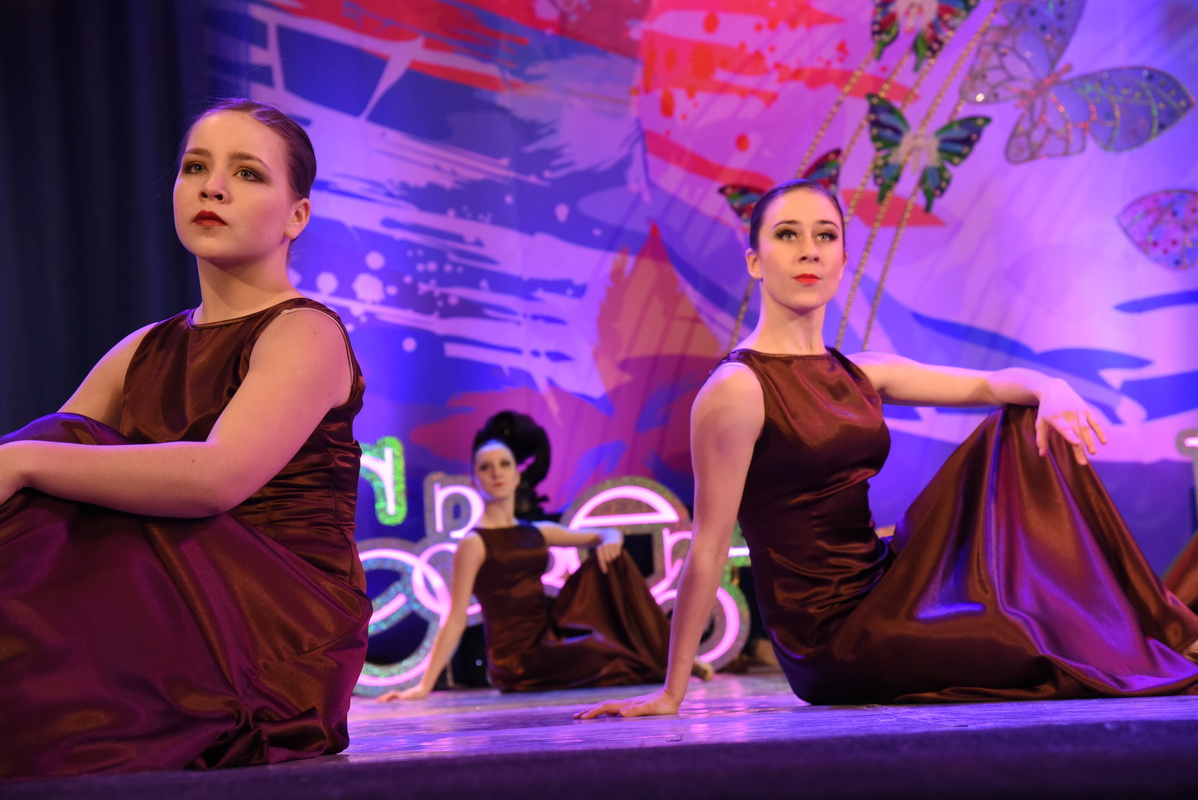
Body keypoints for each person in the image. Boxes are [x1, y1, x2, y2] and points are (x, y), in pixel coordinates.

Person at [579, 179, 1198, 719]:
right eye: (788, 235)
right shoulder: (736, 389)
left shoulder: (863, 371)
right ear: (755, 261)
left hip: (888, 584)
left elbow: (990, 386)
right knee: (1024, 636)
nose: (808, 250)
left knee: (1023, 425)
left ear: (842, 258)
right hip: (831, 638)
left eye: (825, 236)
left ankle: (1152, 626)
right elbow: (709, 545)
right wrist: (672, 692)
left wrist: (1051, 388)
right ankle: (1149, 639)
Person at [0, 99, 371, 777]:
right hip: (170, 590)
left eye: (247, 173)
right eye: (195, 167)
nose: (213, 187)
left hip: (279, 623)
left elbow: (215, 478)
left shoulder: (305, 331)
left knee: (51, 456)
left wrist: (24, 463)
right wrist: (23, 465)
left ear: (297, 216)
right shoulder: (144, 348)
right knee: (56, 459)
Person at [378, 423, 707, 699]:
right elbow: (455, 617)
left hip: (550, 636)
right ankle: (667, 661)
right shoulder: (474, 543)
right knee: (611, 655)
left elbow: (606, 534)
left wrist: (612, 540)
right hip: (517, 659)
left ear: (517, 475)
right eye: (485, 467)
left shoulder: (538, 531)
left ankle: (668, 655)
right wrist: (424, 686)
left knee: (613, 562)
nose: (496, 473)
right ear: (474, 480)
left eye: (504, 464)